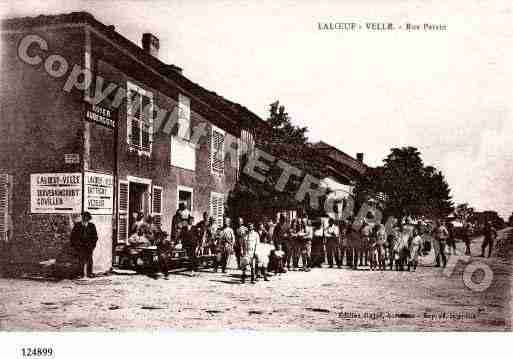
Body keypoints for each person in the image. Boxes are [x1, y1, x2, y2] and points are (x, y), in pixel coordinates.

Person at [70, 212, 98, 279]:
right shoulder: (77, 225)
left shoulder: (92, 226)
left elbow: (95, 237)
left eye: (87, 217)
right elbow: (73, 236)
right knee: (81, 260)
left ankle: (89, 273)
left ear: (89, 218)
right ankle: (80, 274)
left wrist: (92, 245)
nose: (85, 218)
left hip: (89, 246)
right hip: (80, 246)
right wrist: (76, 245)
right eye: (84, 217)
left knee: (89, 259)